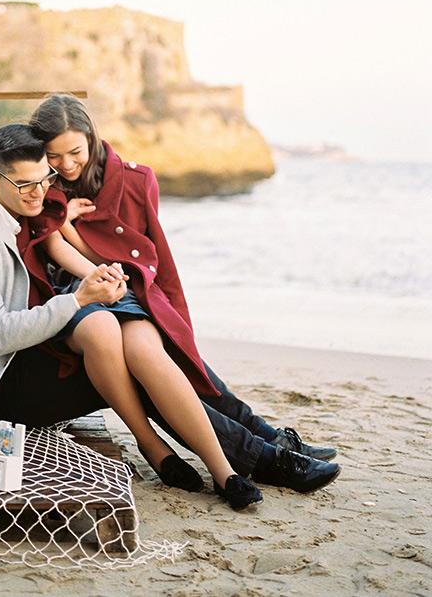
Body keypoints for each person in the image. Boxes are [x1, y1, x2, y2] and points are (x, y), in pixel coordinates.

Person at [0, 124, 264, 509]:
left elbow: (62, 249)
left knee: (122, 335)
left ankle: (220, 469)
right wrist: (81, 298)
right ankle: (248, 455)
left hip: (30, 355)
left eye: (44, 180)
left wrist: (95, 278)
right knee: (134, 360)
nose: (38, 192)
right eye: (24, 184)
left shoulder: (28, 209)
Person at [23, 93, 340, 494]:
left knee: (161, 357)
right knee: (147, 365)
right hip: (77, 296)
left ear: (91, 137)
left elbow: (154, 255)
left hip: (127, 289)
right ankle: (263, 455)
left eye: (75, 152)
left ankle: (267, 441)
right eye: (54, 155)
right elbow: (52, 245)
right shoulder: (41, 184)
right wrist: (65, 224)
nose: (66, 165)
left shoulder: (136, 180)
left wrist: (168, 310)